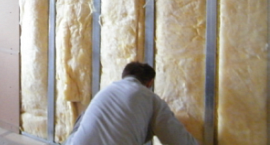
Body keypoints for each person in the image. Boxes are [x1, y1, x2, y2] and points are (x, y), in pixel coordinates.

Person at [64, 61, 199, 145]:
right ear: (150, 82)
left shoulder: (105, 91)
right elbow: (176, 137)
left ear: (124, 76)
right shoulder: (151, 99)